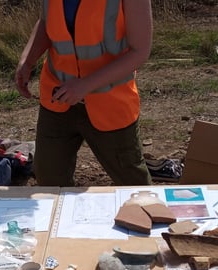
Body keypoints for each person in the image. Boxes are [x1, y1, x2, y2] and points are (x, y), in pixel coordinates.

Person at [15, 0, 153, 187]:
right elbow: (47, 22)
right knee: (49, 179)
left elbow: (140, 51)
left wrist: (84, 86)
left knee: (134, 185)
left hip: (110, 105)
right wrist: (27, 60)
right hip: (57, 99)